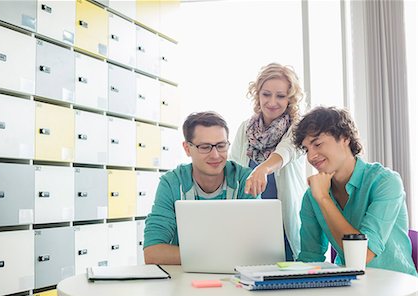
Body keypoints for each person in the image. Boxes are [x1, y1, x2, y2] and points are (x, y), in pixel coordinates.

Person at [293, 106, 417, 276]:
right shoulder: (312, 196)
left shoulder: (385, 182)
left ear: (345, 138)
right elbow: (309, 258)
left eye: (317, 144)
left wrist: (324, 198)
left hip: (396, 288)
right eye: (306, 149)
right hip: (348, 286)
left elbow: (363, 255)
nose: (310, 156)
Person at [144, 111, 258, 265]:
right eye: (205, 147)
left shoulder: (245, 180)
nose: (216, 155)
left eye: (221, 145)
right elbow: (153, 253)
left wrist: (199, 256)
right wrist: (221, 256)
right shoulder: (172, 183)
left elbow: (256, 250)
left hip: (235, 278)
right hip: (184, 280)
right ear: (187, 148)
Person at [230, 63, 307, 260]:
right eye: (266, 94)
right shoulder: (245, 129)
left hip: (285, 224)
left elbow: (286, 152)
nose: (272, 102)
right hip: (251, 226)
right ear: (257, 94)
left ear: (290, 99)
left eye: (280, 96)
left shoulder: (298, 128)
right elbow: (234, 172)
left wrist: (262, 169)